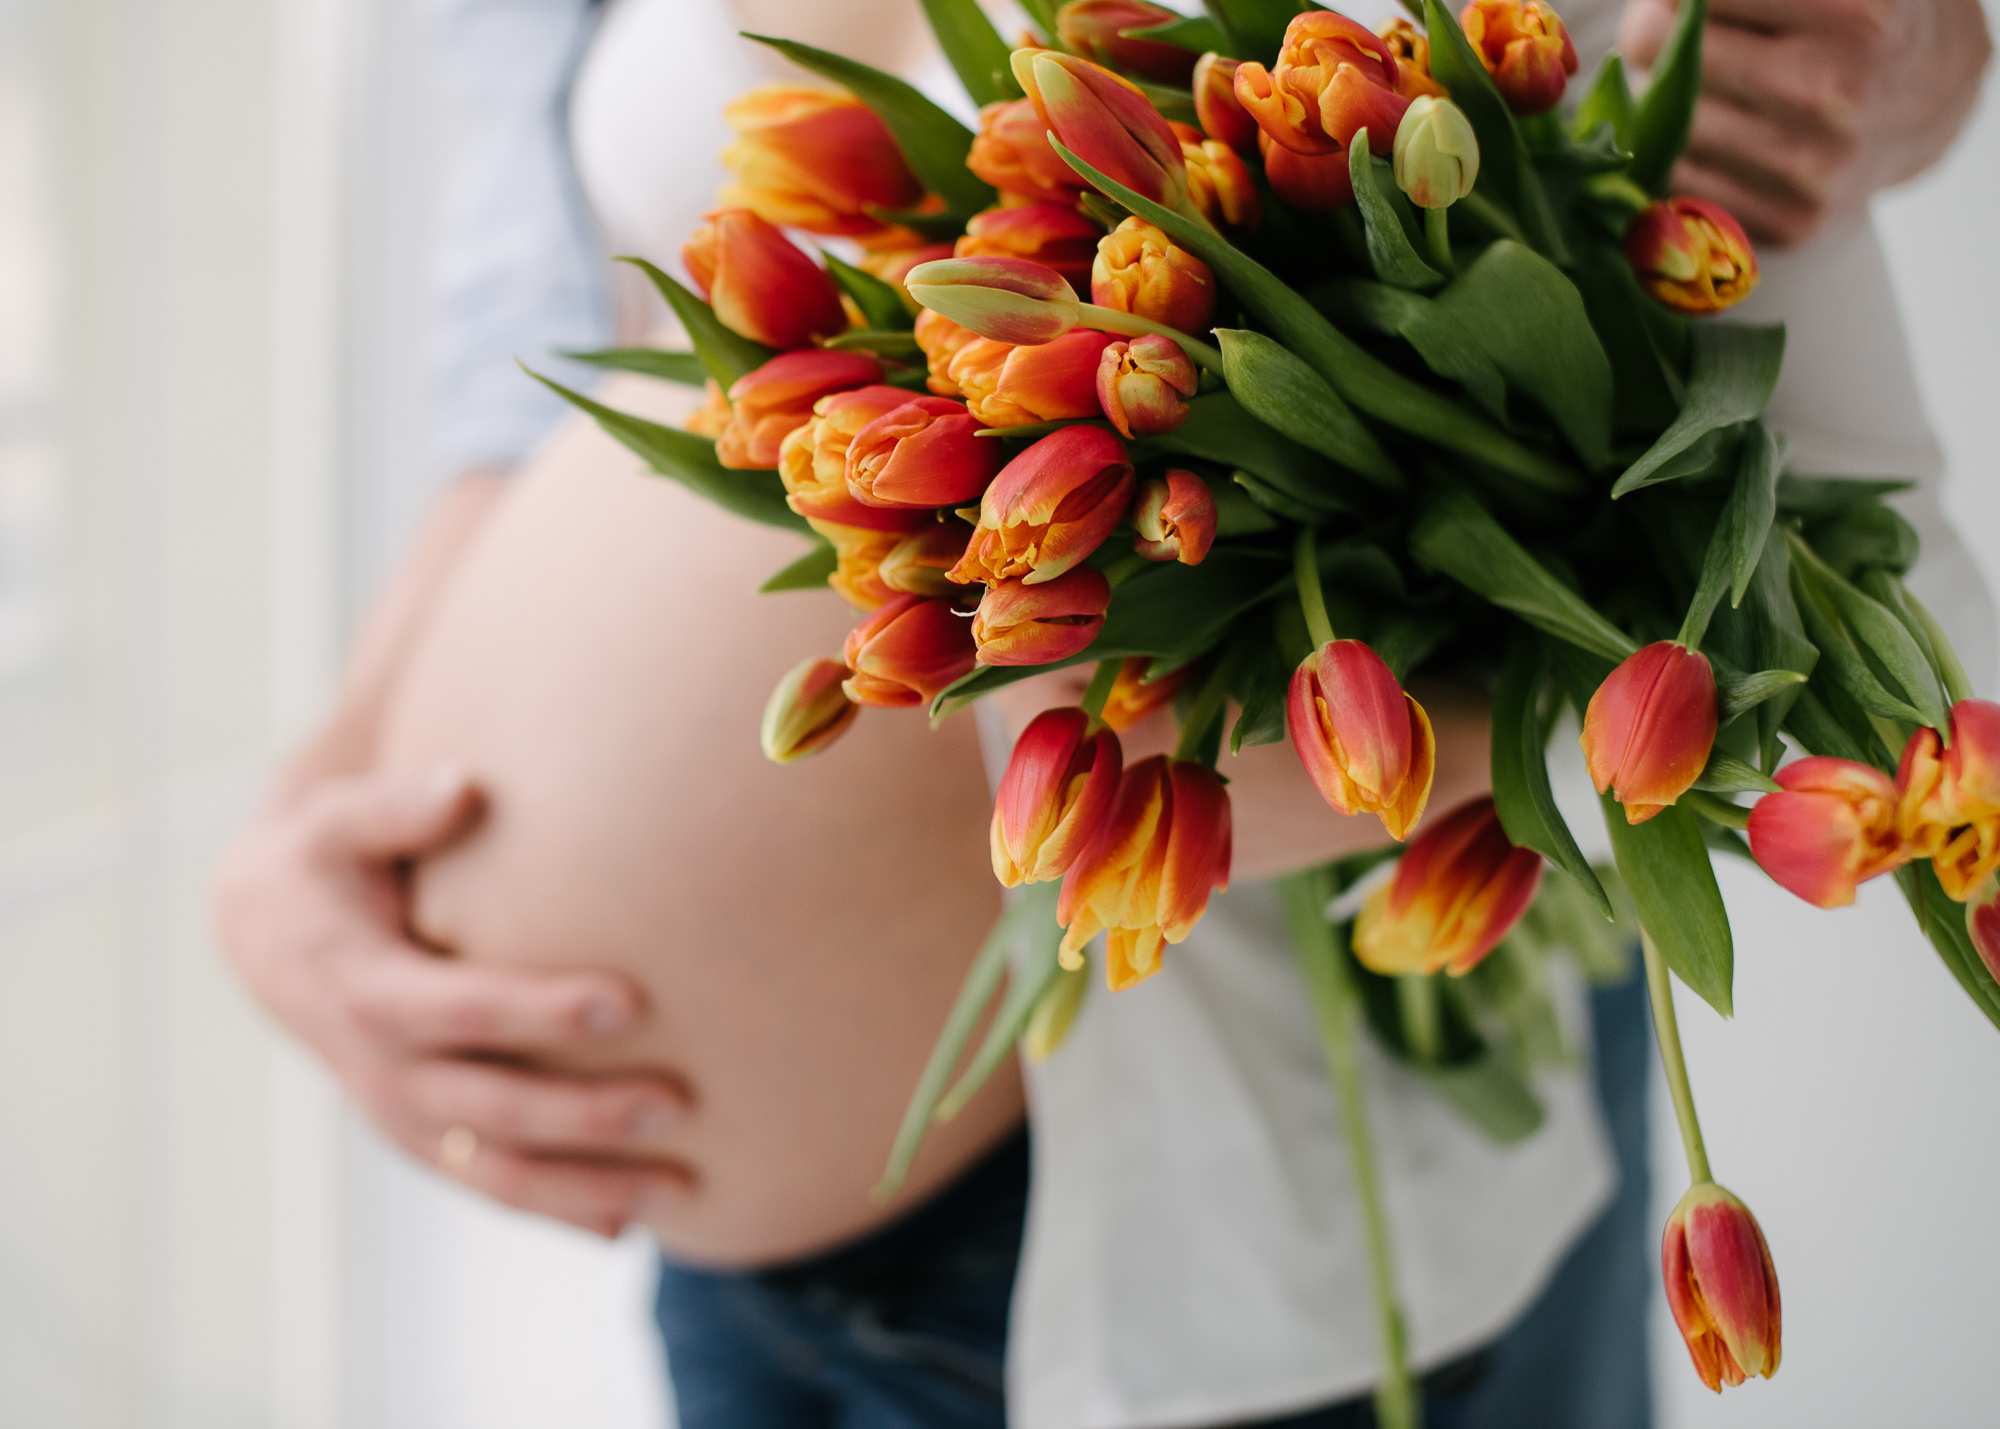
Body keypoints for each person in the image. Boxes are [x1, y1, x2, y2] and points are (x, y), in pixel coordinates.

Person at [210, 1, 1993, 1426]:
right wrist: (335, 779)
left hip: (1209, 1276)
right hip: (748, 1286)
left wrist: (1309, 752)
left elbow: (1836, 580)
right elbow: (551, 283)